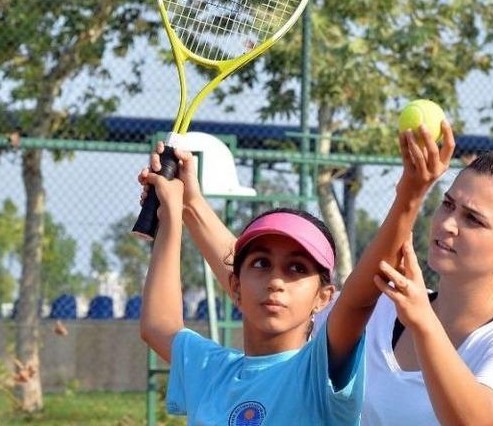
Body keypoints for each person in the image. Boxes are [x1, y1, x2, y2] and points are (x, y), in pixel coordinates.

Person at [142, 120, 493, 425]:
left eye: (473, 219)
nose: (446, 224)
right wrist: (189, 206)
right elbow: (262, 286)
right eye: (446, 204)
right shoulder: (385, 313)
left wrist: (423, 322)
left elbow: (474, 421)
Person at [139, 167, 366, 424]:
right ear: (235, 286)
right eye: (261, 263)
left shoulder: (318, 373)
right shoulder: (212, 371)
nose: (276, 281)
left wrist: (408, 197)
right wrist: (171, 213)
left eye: (297, 268)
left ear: (323, 297)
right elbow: (158, 326)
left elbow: (360, 300)